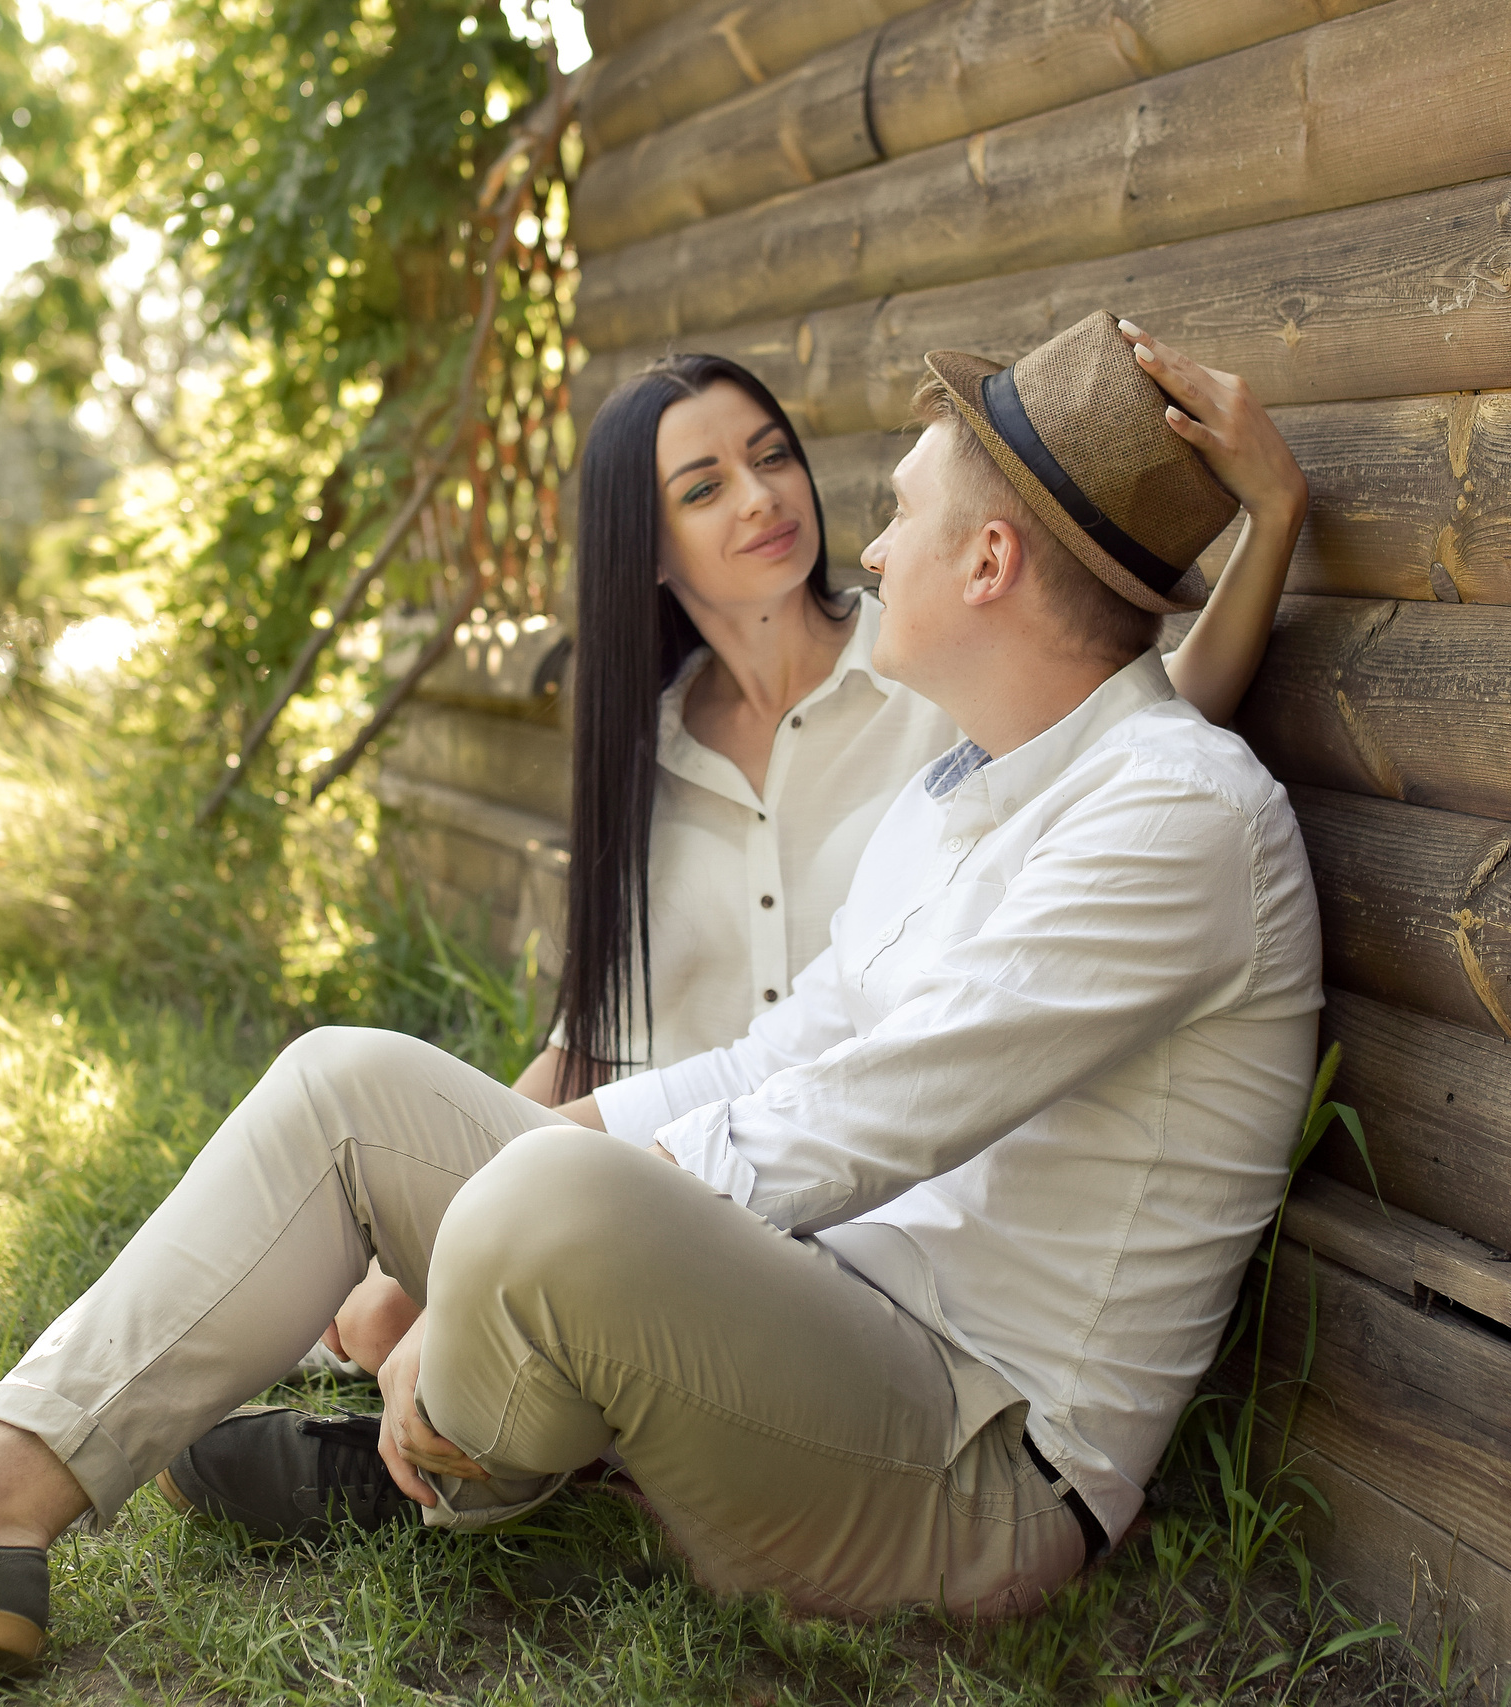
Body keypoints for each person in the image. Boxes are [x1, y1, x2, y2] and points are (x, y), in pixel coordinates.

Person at [0, 307, 1321, 1673]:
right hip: (804, 1320)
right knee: (362, 1080)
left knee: (557, 1192)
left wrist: (500, 1245)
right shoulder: (974, 787)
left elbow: (859, 1124)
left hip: (966, 1464)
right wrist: (524, 1167)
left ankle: (481, 1451)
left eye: (902, 509)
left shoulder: (1176, 820)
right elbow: (793, 1052)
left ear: (994, 567)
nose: (864, 536)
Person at [312, 325, 1296, 1376]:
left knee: (455, 1317)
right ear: (642, 549)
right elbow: (587, 1034)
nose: (759, 498)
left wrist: (1272, 520)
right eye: (703, 488)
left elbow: (1140, 715)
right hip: (678, 1149)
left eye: (771, 455)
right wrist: (460, 1191)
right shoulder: (644, 748)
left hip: (835, 1191)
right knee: (379, 1301)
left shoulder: (943, 670)